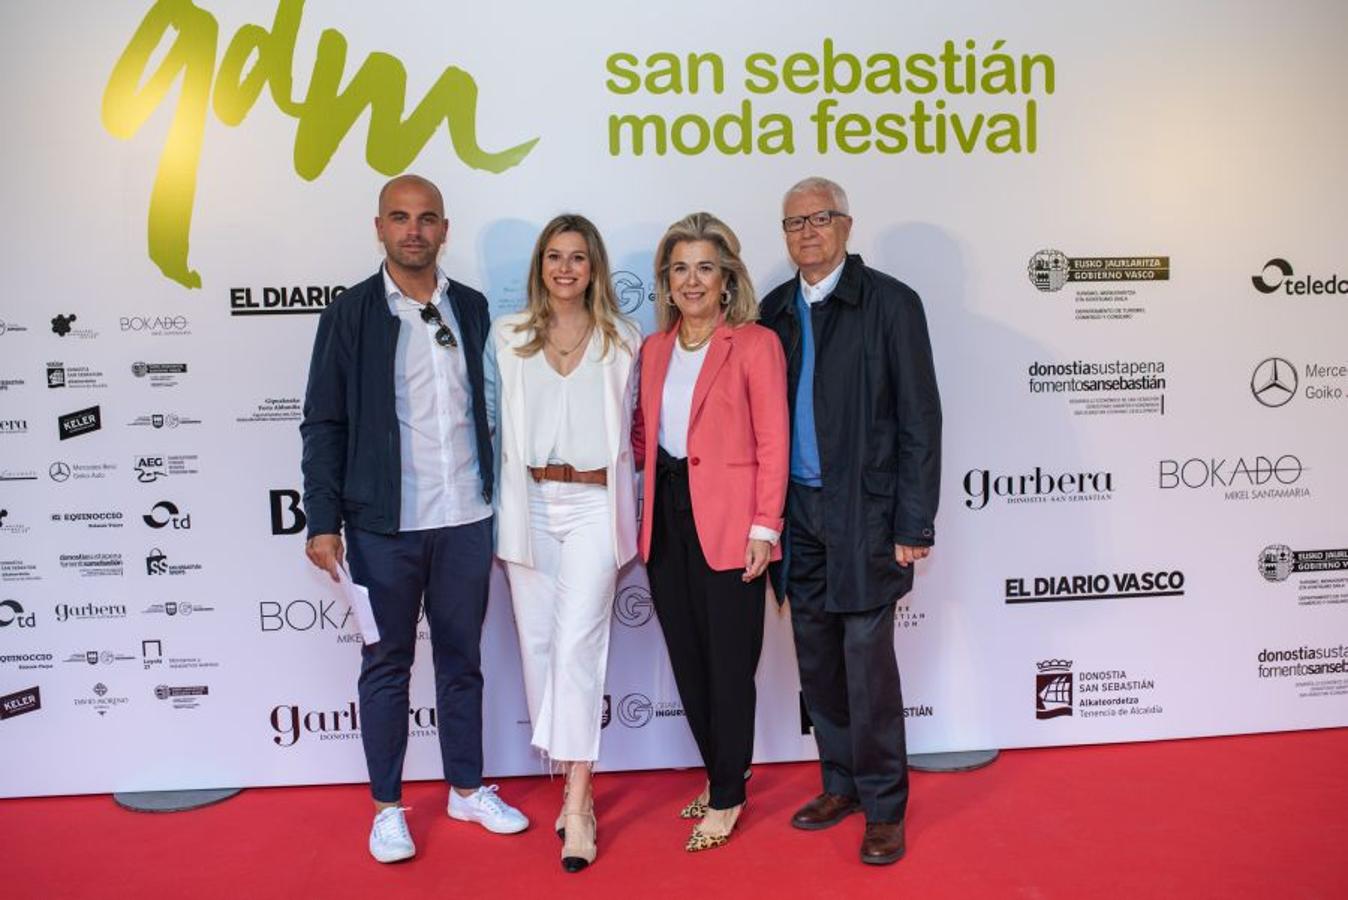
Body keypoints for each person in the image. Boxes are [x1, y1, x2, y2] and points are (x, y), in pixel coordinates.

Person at [300, 174, 528, 864]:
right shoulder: (350, 315)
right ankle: (387, 808)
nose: (414, 231)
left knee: (463, 663)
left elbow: (496, 407)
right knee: (386, 664)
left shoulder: (477, 309)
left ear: (444, 229)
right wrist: (322, 519)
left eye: (426, 219)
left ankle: (465, 788)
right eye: (400, 218)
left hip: (467, 516)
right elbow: (324, 422)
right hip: (382, 525)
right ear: (379, 227)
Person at [759, 177, 942, 866]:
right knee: (818, 662)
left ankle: (885, 807)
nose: (807, 231)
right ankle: (839, 784)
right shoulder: (774, 311)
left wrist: (913, 522)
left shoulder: (892, 304)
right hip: (797, 515)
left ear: (846, 225)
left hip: (867, 513)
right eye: (794, 222)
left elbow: (921, 419)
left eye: (821, 218)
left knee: (868, 669)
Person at [484, 214, 641, 873]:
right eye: (555, 256)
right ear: (540, 266)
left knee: (578, 645)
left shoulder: (623, 337)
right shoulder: (507, 335)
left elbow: (635, 427)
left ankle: (578, 802)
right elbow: (491, 423)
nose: (566, 268)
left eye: (578, 257)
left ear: (595, 267)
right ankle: (572, 777)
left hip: (596, 506)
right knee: (541, 648)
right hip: (529, 506)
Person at [632, 212, 788, 852]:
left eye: (704, 268)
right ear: (665, 283)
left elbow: (774, 442)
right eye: (679, 269)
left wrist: (765, 527)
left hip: (731, 524)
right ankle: (721, 771)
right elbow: (644, 436)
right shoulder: (654, 349)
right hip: (666, 521)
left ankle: (727, 795)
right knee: (690, 663)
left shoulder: (754, 344)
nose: (691, 281)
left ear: (726, 280)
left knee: (729, 665)